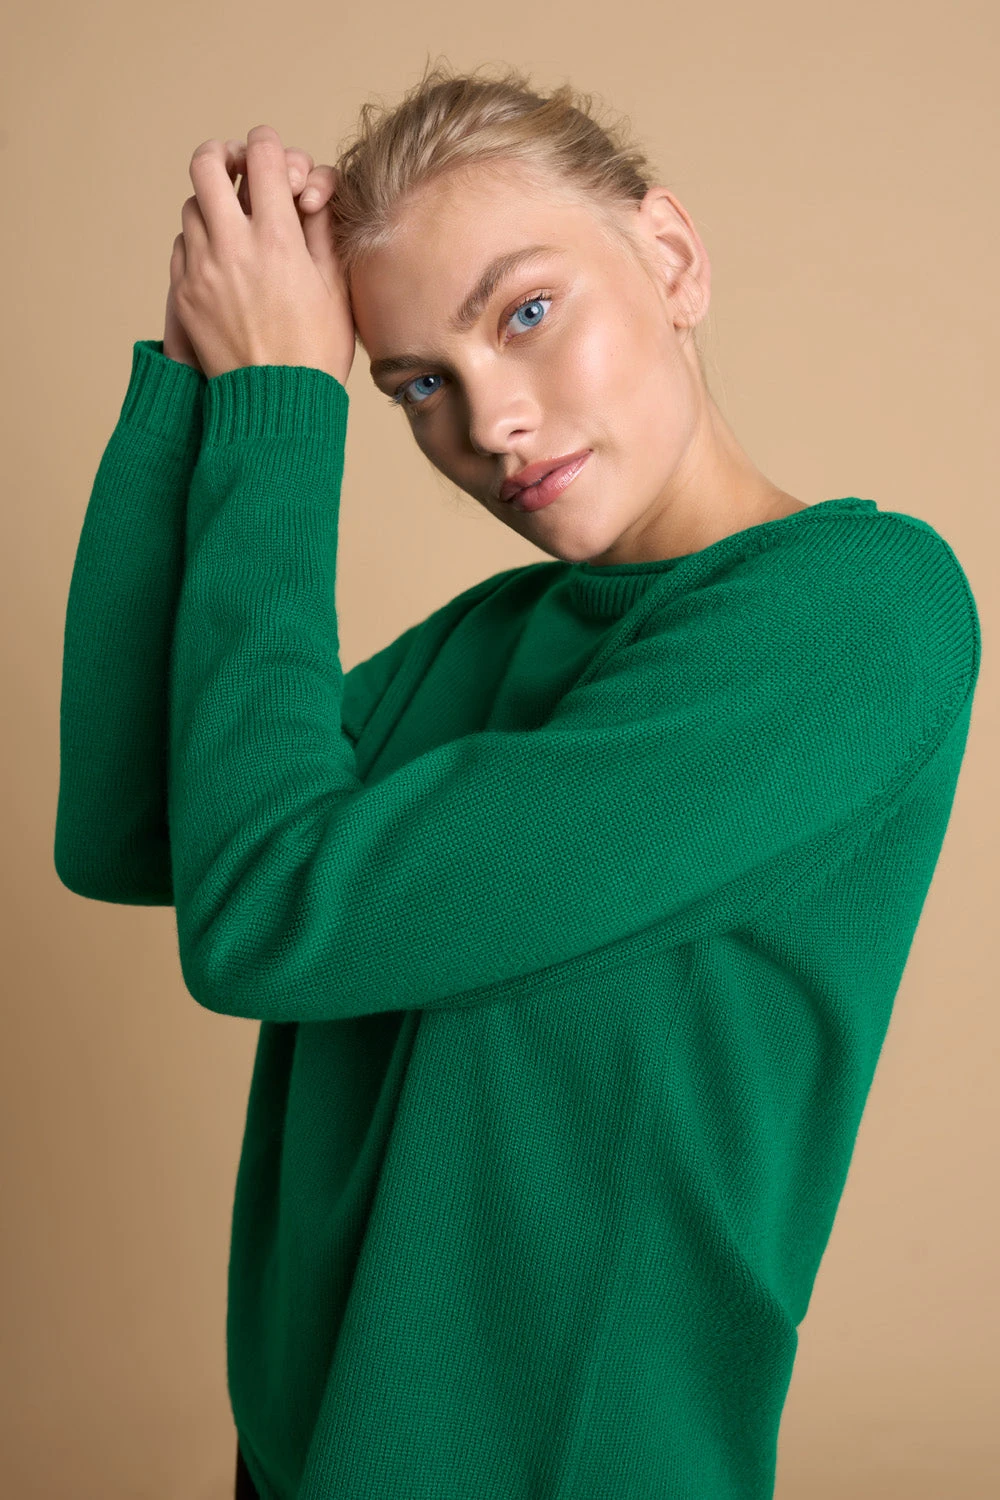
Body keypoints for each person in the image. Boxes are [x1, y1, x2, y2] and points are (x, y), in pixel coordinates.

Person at [55, 58, 981, 1500]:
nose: (487, 422)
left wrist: (286, 407)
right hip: (301, 1461)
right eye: (418, 384)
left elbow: (263, 917)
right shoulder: (487, 640)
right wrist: (201, 382)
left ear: (670, 258)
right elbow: (132, 824)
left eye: (527, 313)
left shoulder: (858, 614)